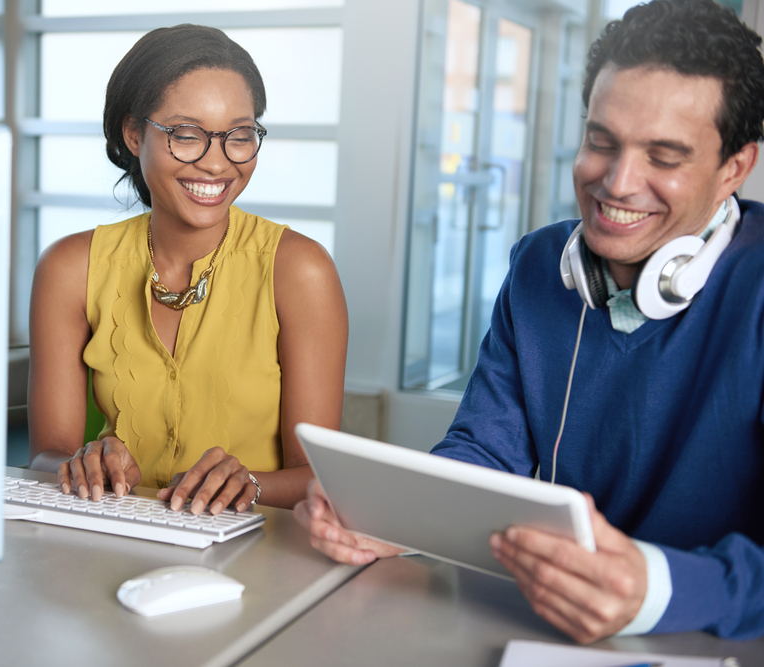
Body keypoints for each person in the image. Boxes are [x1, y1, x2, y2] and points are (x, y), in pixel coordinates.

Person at [295, 0, 764, 643]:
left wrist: (655, 587)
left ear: (734, 169)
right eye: (601, 142)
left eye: (664, 156)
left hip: (717, 642)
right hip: (540, 629)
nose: (618, 182)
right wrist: (402, 516)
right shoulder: (542, 265)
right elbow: (486, 449)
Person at [28, 25, 347, 515]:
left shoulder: (300, 270)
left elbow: (321, 478)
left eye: (239, 136)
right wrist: (81, 462)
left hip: (257, 552)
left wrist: (249, 485)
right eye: (187, 134)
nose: (217, 164)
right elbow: (46, 456)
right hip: (115, 535)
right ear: (134, 134)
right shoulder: (70, 268)